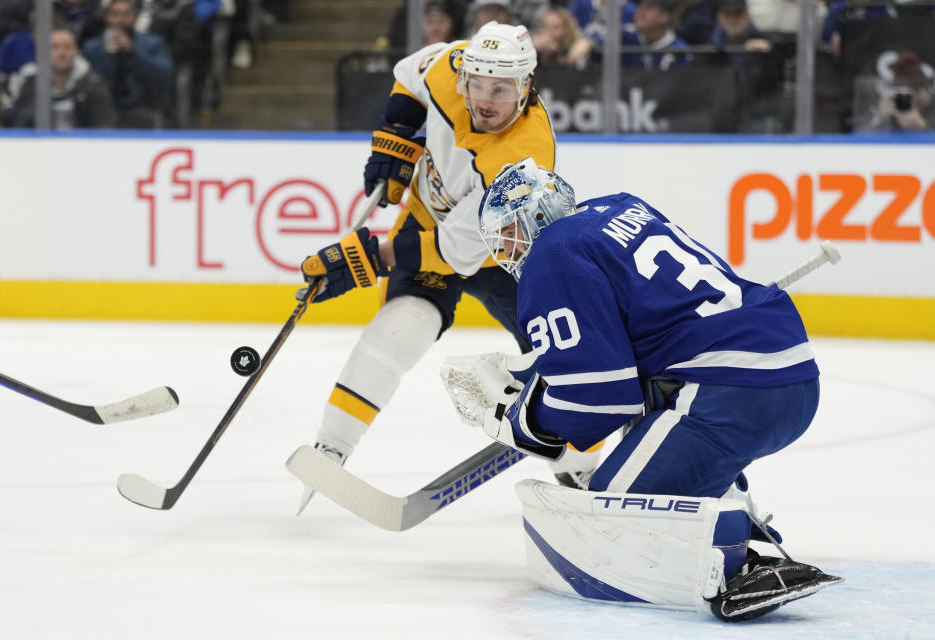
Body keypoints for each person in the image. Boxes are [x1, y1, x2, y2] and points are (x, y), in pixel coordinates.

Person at [457, 157, 840, 620]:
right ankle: (727, 505)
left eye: (508, 234)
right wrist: (536, 378)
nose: (509, 251)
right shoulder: (619, 208)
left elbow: (600, 399)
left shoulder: (550, 255)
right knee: (654, 408)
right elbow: (630, 343)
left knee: (613, 517)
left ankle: (732, 562)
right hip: (786, 374)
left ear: (533, 218)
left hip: (733, 389)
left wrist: (527, 421)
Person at [293, 22, 601, 514]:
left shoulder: (523, 162)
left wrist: (371, 258)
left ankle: (582, 467)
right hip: (426, 220)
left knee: (560, 353)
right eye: (477, 85)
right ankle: (331, 447)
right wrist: (394, 136)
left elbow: (461, 250)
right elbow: (408, 75)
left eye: (500, 89)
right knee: (398, 330)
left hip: (507, 253)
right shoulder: (449, 65)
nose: (484, 98)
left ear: (526, 87)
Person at [82, 0, 173, 128]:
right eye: (115, 14)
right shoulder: (92, 48)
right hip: (103, 109)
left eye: (126, 15)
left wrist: (133, 52)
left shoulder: (152, 43)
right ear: (107, 17)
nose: (120, 20)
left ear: (135, 17)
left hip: (142, 107)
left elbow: (165, 74)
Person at [11, 27, 114, 128]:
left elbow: (103, 127)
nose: (62, 53)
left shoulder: (93, 86)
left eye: (68, 47)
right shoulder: (30, 83)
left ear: (76, 51)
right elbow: (20, 126)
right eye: (55, 47)